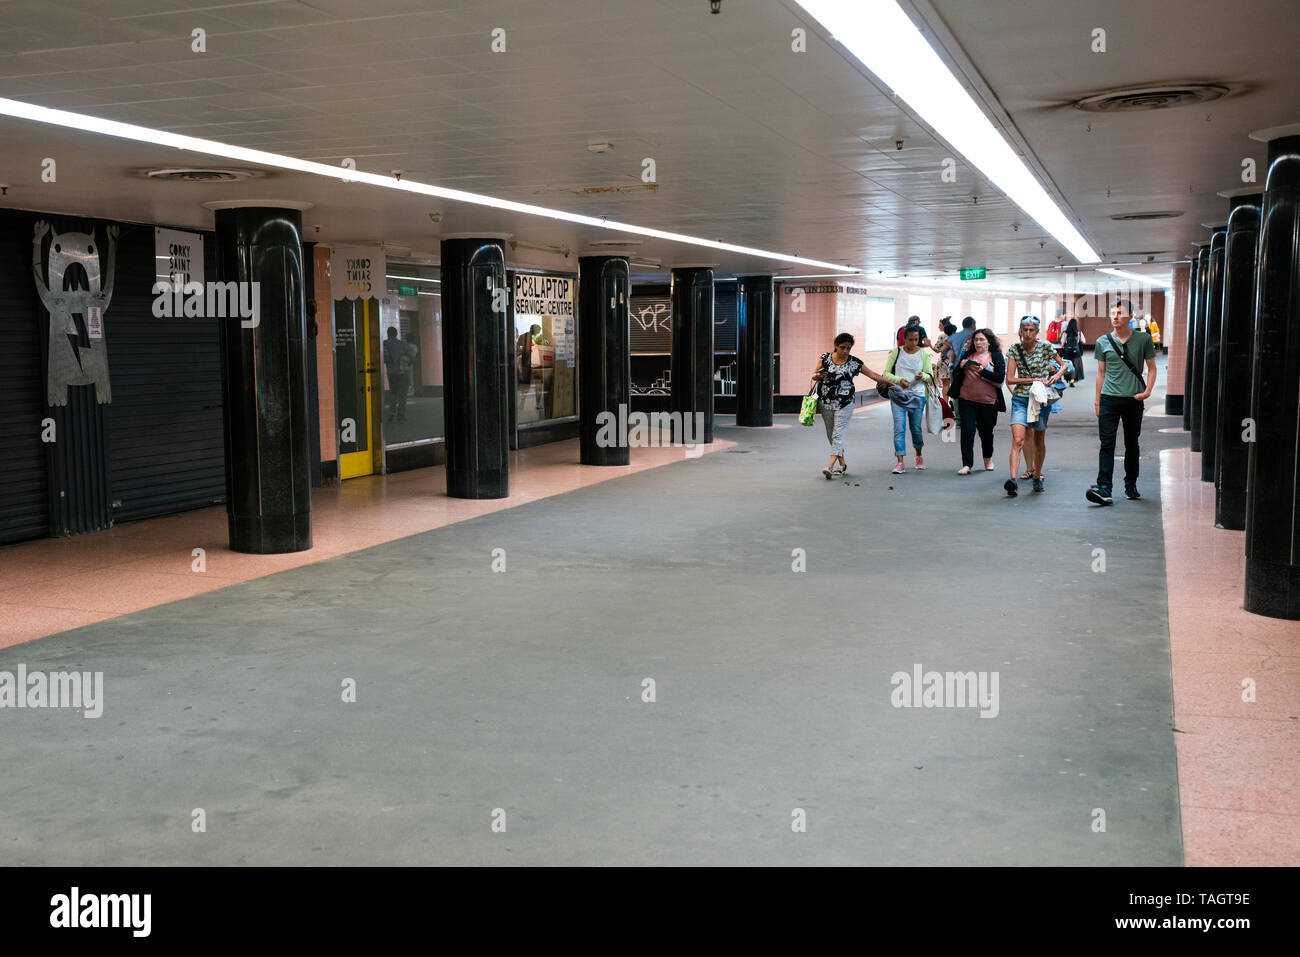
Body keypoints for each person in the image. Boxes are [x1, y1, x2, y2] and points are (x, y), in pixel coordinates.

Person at [1086, 299, 1158, 505]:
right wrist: (1097, 401)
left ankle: (1130, 484)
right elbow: (1101, 373)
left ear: (1130, 317)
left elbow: (1152, 368)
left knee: (1131, 444)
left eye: (1119, 313)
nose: (1115, 317)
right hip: (1109, 399)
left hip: (1134, 399)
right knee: (1106, 444)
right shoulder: (1103, 341)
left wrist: (1147, 391)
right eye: (1112, 313)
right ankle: (1104, 488)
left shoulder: (1143, 339)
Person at [1003, 316, 1067, 496]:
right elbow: (1010, 379)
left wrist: (1056, 376)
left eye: (1032, 330)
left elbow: (1064, 366)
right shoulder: (1014, 350)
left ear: (1037, 332)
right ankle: (1012, 480)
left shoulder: (1046, 347)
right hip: (1021, 399)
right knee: (1018, 440)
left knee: (1039, 439)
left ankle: (1037, 476)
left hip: (1040, 400)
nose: (1028, 333)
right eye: (1025, 330)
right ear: (1020, 331)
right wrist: (1033, 379)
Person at [810, 332, 887, 479]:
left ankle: (830, 466)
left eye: (848, 348)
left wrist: (892, 383)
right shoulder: (825, 358)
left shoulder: (854, 362)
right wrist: (818, 376)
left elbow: (872, 375)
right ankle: (842, 463)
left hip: (846, 403)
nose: (845, 351)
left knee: (838, 434)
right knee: (831, 434)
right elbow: (814, 374)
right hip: (826, 402)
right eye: (842, 347)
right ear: (836, 346)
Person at [948, 328, 1005, 474]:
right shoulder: (968, 354)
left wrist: (981, 371)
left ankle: (988, 458)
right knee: (967, 431)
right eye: (976, 340)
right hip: (966, 400)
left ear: (988, 342)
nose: (978, 342)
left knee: (986, 433)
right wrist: (961, 366)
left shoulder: (996, 356)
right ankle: (967, 464)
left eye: (981, 340)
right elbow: (956, 373)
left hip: (988, 402)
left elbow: (999, 377)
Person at [882, 326, 933, 473]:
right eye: (910, 339)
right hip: (899, 395)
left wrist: (922, 376)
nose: (913, 342)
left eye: (916, 339)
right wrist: (899, 380)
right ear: (904, 339)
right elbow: (885, 374)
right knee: (899, 428)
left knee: (915, 428)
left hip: (918, 395)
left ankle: (918, 455)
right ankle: (900, 461)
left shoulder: (923, 354)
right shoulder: (896, 352)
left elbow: (930, 376)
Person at [382, 326, 419, 422]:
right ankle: (401, 415)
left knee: (393, 393)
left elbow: (384, 359)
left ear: (387, 333)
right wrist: (410, 362)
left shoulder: (384, 344)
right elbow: (412, 355)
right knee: (402, 395)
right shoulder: (402, 344)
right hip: (403, 371)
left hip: (391, 372)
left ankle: (391, 414)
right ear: (396, 334)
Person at [516, 323, 542, 410]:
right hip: (530, 365)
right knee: (528, 385)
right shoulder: (524, 337)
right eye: (538, 331)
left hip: (534, 365)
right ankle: (523, 403)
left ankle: (535, 404)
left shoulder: (539, 338)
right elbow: (518, 350)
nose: (538, 332)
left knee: (536, 385)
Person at [1060, 315, 1085, 384]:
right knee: (1076, 366)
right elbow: (1084, 341)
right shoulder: (1079, 333)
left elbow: (1062, 343)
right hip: (1076, 351)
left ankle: (1068, 378)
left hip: (1067, 352)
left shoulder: (1065, 333)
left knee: (1068, 365)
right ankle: (1072, 379)